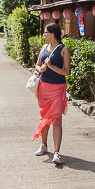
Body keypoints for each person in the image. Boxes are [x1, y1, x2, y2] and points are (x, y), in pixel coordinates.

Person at [33, 23, 70, 163]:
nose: (43, 35)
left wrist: (51, 66)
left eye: (45, 33)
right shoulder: (44, 48)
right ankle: (43, 145)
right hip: (43, 87)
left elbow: (66, 71)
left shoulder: (64, 50)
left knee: (56, 120)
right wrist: (41, 68)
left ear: (52, 34)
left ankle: (56, 152)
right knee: (44, 117)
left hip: (57, 88)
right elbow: (36, 65)